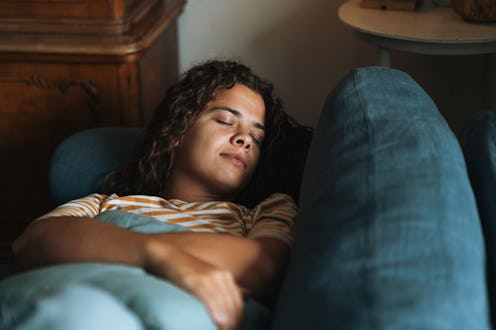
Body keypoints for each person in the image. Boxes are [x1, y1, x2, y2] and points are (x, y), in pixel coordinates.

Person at [11, 60, 299, 330]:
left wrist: (113, 247)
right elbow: (33, 242)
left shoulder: (265, 210)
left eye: (256, 138)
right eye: (225, 120)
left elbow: (264, 267)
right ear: (178, 131)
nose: (244, 139)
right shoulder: (105, 203)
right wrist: (163, 258)